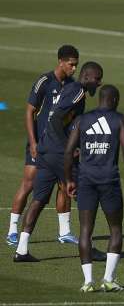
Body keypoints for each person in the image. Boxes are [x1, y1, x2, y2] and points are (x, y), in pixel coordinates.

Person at [13, 62, 103, 262]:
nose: (99, 82)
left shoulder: (69, 88)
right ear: (87, 77)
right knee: (87, 196)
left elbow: (57, 117)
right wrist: (68, 148)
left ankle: (21, 249)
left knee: (39, 199)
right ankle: (87, 248)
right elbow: (56, 120)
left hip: (45, 151)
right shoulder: (78, 92)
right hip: (59, 153)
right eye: (97, 78)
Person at [64, 84, 124, 292]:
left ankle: (87, 282)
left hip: (86, 181)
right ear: (114, 100)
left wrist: (69, 180)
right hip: (109, 181)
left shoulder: (82, 120)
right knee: (115, 229)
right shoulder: (120, 119)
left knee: (86, 230)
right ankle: (109, 279)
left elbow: (68, 152)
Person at [6, 45, 78, 246]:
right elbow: (29, 111)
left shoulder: (73, 86)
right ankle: (12, 230)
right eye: (71, 65)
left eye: (76, 65)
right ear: (61, 62)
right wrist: (33, 142)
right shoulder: (44, 82)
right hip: (39, 143)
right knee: (29, 183)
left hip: (60, 145)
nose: (74, 69)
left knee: (65, 186)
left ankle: (65, 231)